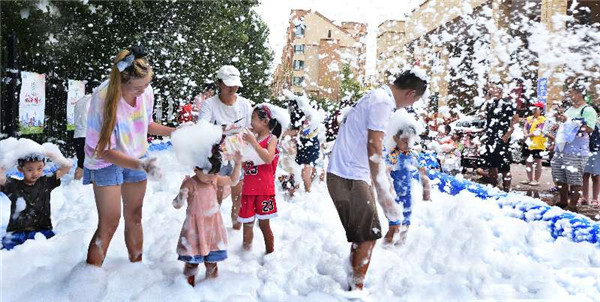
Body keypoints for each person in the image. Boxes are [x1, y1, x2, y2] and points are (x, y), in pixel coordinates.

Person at [327, 69, 427, 291]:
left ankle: (352, 284)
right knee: (369, 237)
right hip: (350, 176)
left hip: (347, 174)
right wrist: (384, 194)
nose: (409, 107)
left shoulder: (377, 96)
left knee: (361, 236)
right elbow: (374, 146)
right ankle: (357, 290)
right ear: (411, 93)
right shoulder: (382, 102)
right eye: (414, 101)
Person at [83, 46, 176, 267]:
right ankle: (90, 277)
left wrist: (176, 131)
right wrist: (141, 165)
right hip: (105, 162)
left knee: (135, 216)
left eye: (147, 86)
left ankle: (136, 268)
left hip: (137, 156)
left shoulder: (146, 90)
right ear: (122, 82)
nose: (144, 92)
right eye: (137, 88)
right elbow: (104, 150)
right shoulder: (103, 98)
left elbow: (147, 125)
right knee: (110, 222)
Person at [172, 145, 242, 287]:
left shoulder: (215, 179)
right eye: (208, 173)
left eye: (215, 173)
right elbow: (177, 205)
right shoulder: (190, 183)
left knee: (212, 261)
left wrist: (238, 163)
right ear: (195, 169)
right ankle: (186, 287)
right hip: (195, 228)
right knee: (192, 262)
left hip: (213, 226)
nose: (211, 177)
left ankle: (211, 286)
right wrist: (181, 195)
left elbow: (232, 180)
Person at [199, 65, 252, 230]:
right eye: (228, 84)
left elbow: (251, 128)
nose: (233, 88)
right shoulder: (209, 104)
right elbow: (202, 128)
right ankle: (213, 229)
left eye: (235, 84)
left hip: (238, 154)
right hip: (216, 154)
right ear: (219, 83)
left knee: (239, 195)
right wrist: (223, 130)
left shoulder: (244, 104)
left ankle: (236, 229)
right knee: (217, 194)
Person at [0, 151, 72, 250]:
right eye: (30, 169)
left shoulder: (46, 182)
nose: (35, 173)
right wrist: (11, 157)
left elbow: (67, 166)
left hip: (42, 230)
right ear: (20, 169)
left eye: (39, 168)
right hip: (17, 233)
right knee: (11, 256)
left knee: (50, 253)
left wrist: (49, 153)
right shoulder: (13, 185)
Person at [239, 104, 284, 254]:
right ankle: (245, 254)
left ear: (265, 121)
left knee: (264, 224)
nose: (251, 122)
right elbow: (246, 165)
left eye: (254, 119)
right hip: (248, 187)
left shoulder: (272, 138)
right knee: (247, 223)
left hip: (264, 189)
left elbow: (268, 158)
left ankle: (270, 254)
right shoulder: (253, 138)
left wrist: (253, 142)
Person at [551, 80, 598, 212]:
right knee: (559, 176)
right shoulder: (570, 109)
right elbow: (566, 126)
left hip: (577, 151)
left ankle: (572, 206)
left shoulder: (588, 110)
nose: (568, 94)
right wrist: (559, 124)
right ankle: (563, 201)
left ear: (578, 94)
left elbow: (589, 128)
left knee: (574, 179)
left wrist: (570, 122)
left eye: (570, 92)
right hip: (561, 148)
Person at [383, 123, 431, 246]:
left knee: (407, 219)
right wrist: (388, 188)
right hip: (395, 195)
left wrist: (426, 191)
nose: (408, 144)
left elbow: (423, 173)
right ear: (395, 139)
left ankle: (401, 245)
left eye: (410, 141)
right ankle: (387, 246)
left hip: (407, 194)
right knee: (395, 222)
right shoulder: (393, 155)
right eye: (404, 141)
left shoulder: (413, 155)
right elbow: (385, 171)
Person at [477, 81, 518, 192]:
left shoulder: (507, 104)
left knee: (505, 166)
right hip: (490, 137)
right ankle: (494, 187)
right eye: (491, 88)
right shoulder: (489, 104)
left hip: (502, 138)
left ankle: (506, 190)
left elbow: (515, 121)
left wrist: (505, 137)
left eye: (494, 88)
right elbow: (483, 115)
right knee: (491, 165)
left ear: (500, 90)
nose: (492, 90)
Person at [73, 82, 98, 180]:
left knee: (81, 162)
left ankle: (76, 182)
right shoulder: (94, 101)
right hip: (89, 135)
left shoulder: (79, 101)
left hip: (78, 135)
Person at [520, 102, 547, 186]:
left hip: (538, 142)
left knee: (537, 160)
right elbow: (525, 127)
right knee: (528, 160)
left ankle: (536, 179)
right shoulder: (529, 118)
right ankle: (530, 178)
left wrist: (527, 135)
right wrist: (525, 134)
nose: (534, 109)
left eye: (536, 108)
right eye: (533, 108)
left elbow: (538, 131)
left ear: (541, 110)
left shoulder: (542, 119)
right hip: (528, 142)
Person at [582, 106, 600, 208]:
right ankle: (584, 198)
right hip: (584, 150)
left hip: (596, 151)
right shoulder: (584, 124)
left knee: (596, 176)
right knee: (584, 175)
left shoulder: (598, 124)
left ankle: (595, 199)